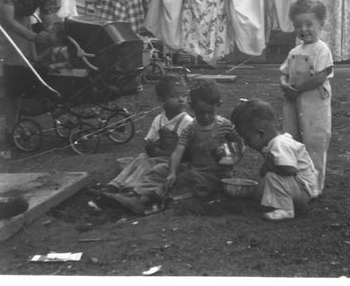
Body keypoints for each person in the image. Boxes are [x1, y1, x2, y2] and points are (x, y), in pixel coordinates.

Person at [106, 79, 244, 215]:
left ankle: (145, 201)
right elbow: (178, 152)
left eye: (210, 112)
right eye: (200, 113)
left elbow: (241, 144)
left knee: (185, 177)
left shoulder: (224, 126)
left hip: (215, 175)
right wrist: (171, 171)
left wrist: (233, 155)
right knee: (160, 169)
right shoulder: (191, 128)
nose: (206, 117)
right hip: (194, 167)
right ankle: (136, 194)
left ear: (218, 105)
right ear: (192, 107)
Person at [92, 74, 193, 196]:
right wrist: (151, 147)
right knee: (141, 158)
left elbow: (185, 153)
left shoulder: (187, 121)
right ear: (161, 100)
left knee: (149, 163)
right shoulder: (159, 119)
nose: (182, 100)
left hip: (174, 162)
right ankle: (114, 185)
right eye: (175, 96)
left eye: (184, 95)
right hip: (159, 156)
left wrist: (158, 152)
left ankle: (130, 188)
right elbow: (150, 142)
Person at [0, 0, 59, 137]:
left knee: (20, 72)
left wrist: (55, 37)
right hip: (2, 27)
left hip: (22, 25)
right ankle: (9, 125)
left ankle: (14, 124)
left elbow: (49, 21)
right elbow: (8, 20)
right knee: (9, 73)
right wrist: (33, 37)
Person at [279, 0, 333, 197]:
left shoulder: (322, 50)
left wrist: (298, 88)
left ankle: (315, 186)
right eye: (298, 25)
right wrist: (284, 85)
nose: (304, 29)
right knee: (293, 138)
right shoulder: (295, 51)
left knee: (314, 141)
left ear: (321, 24)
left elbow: (320, 77)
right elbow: (284, 72)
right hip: (293, 101)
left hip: (314, 102)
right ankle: (298, 181)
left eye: (309, 24)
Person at [230, 98, 318, 221]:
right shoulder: (272, 143)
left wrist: (268, 167)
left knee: (272, 175)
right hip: (300, 188)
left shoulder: (280, 145)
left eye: (247, 139)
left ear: (260, 134)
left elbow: (290, 169)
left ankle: (286, 210)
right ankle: (278, 203)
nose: (247, 143)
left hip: (303, 191)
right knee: (271, 174)